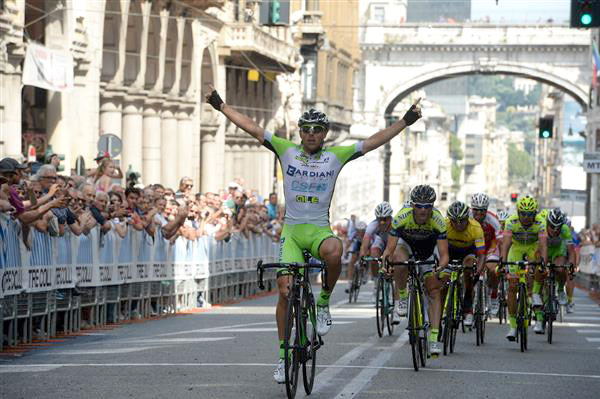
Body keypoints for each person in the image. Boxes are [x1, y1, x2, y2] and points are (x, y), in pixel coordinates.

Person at [206, 87, 422, 383]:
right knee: (284, 290)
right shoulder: (286, 150)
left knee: (334, 249)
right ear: (300, 133)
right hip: (292, 234)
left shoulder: (336, 155)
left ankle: (322, 303)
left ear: (324, 134)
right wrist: (221, 105)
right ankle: (283, 357)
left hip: (319, 230)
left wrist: (404, 122)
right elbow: (253, 127)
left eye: (316, 130)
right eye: (306, 130)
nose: (310, 134)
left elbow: (373, 142)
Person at [382, 185, 449, 356]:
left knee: (434, 290)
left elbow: (444, 255)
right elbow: (389, 250)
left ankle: (434, 339)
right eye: (419, 205)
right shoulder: (401, 217)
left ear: (432, 207)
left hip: (428, 251)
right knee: (399, 259)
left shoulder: (438, 220)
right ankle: (402, 296)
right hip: (407, 246)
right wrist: (387, 263)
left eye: (428, 206)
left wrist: (439, 268)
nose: (423, 210)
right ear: (412, 205)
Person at [500, 195, 547, 341]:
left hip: (533, 248)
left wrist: (543, 263)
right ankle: (513, 326)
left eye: (530, 214)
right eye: (523, 214)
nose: (526, 217)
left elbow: (543, 244)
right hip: (517, 249)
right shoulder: (511, 221)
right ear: (518, 212)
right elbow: (506, 244)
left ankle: (535, 293)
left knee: (538, 262)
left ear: (535, 213)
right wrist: (502, 262)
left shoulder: (540, 222)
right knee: (512, 286)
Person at [445, 201, 486, 327]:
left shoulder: (476, 228)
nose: (458, 225)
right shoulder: (444, 225)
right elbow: (438, 249)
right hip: (450, 250)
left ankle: (468, 307)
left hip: (468, 251)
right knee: (443, 278)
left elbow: (482, 255)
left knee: (469, 269)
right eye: (454, 221)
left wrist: (477, 271)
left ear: (467, 218)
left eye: (462, 221)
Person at [469, 193, 503, 317]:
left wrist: (502, 258)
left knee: (493, 269)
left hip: (490, 246)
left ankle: (494, 294)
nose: (479, 214)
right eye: (476, 210)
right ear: (471, 209)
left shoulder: (492, 219)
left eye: (482, 211)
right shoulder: (466, 216)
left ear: (486, 210)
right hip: (473, 247)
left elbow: (501, 240)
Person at [359, 201, 394, 302]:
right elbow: (365, 243)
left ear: (390, 217)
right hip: (380, 241)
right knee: (374, 256)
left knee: (395, 259)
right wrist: (362, 256)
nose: (382, 222)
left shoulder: (396, 224)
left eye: (385, 219)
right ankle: (376, 285)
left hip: (392, 242)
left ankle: (393, 286)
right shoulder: (372, 225)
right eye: (379, 219)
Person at [345, 220, 367, 294]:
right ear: (356, 230)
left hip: (366, 245)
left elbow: (370, 246)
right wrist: (346, 251)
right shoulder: (354, 234)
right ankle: (349, 283)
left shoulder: (368, 234)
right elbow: (348, 242)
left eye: (362, 231)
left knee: (364, 257)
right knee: (352, 261)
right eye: (358, 231)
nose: (360, 233)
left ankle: (364, 273)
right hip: (357, 245)